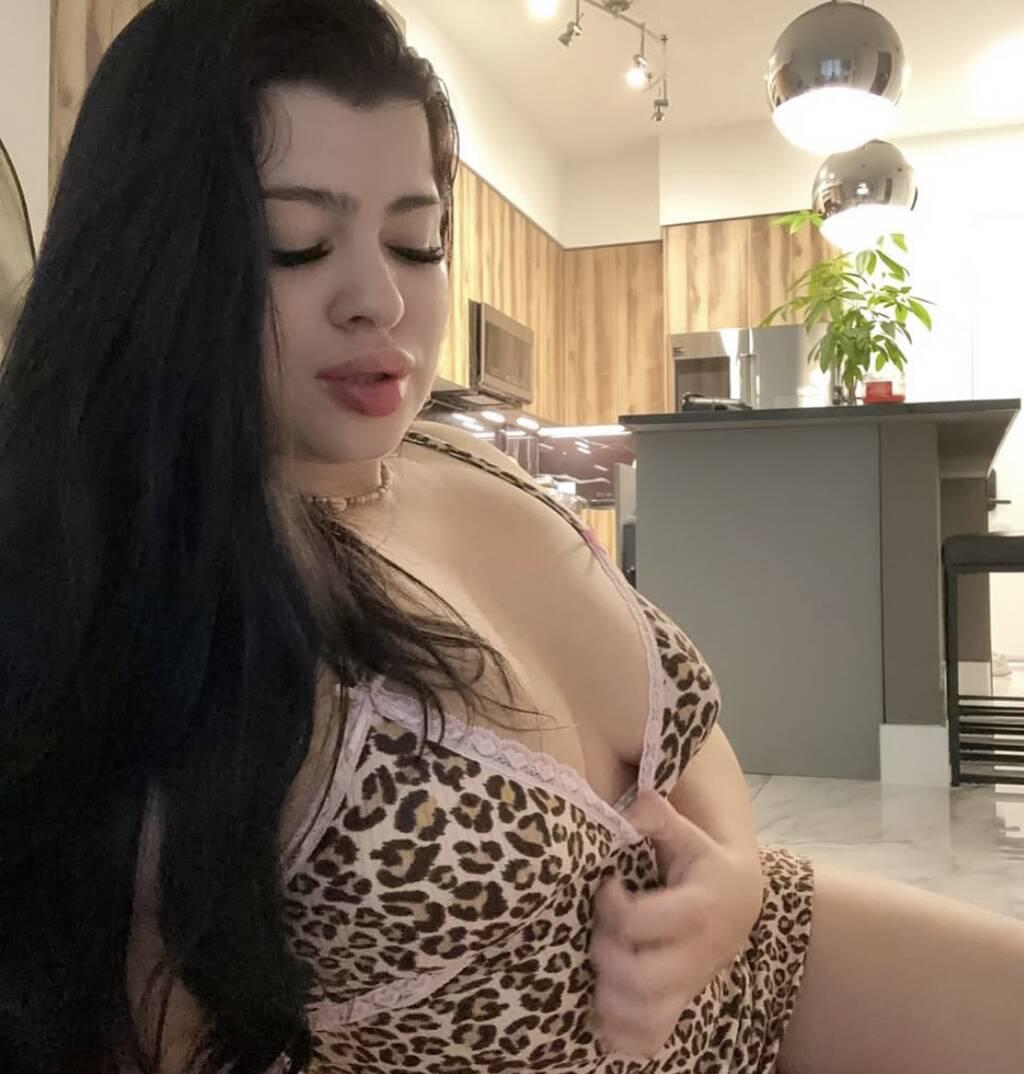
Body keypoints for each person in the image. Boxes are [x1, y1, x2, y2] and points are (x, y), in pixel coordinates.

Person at [1, 1, 1023, 1072]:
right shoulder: (156, 605)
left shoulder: (468, 462)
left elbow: (683, 739)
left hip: (771, 961)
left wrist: (730, 879)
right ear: (154, 259)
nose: (381, 297)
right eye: (296, 244)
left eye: (417, 240)